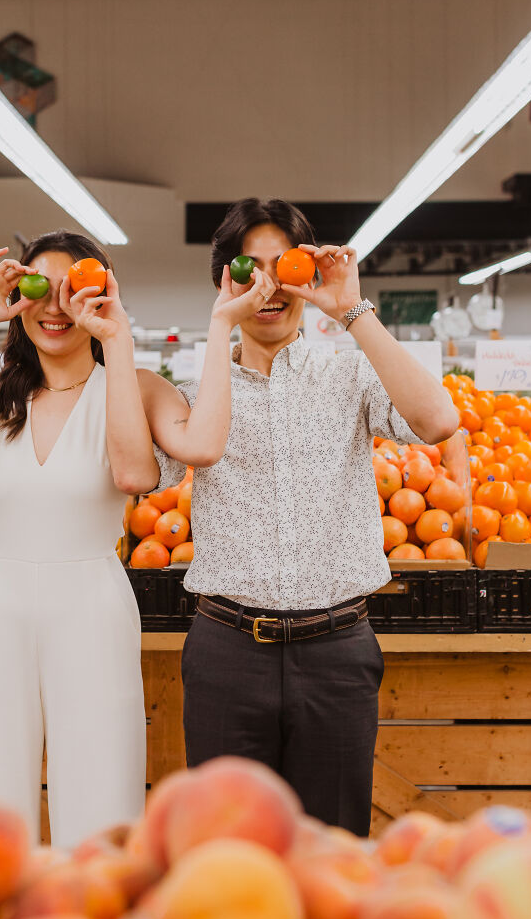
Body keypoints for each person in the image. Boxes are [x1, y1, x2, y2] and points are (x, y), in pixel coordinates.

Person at [0, 230, 267, 853]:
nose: (55, 306)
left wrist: (117, 337)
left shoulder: (137, 386)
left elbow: (138, 475)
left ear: (102, 294)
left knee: (100, 793)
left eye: (74, 290)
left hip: (89, 606)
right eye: (38, 289)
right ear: (17, 299)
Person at [154, 198, 460, 836]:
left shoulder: (348, 373)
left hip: (337, 650)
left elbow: (438, 421)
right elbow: (140, 474)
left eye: (282, 266)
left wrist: (350, 306)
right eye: (248, 270)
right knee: (224, 855)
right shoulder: (193, 391)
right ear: (223, 280)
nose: (268, 287)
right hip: (227, 650)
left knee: (336, 853)